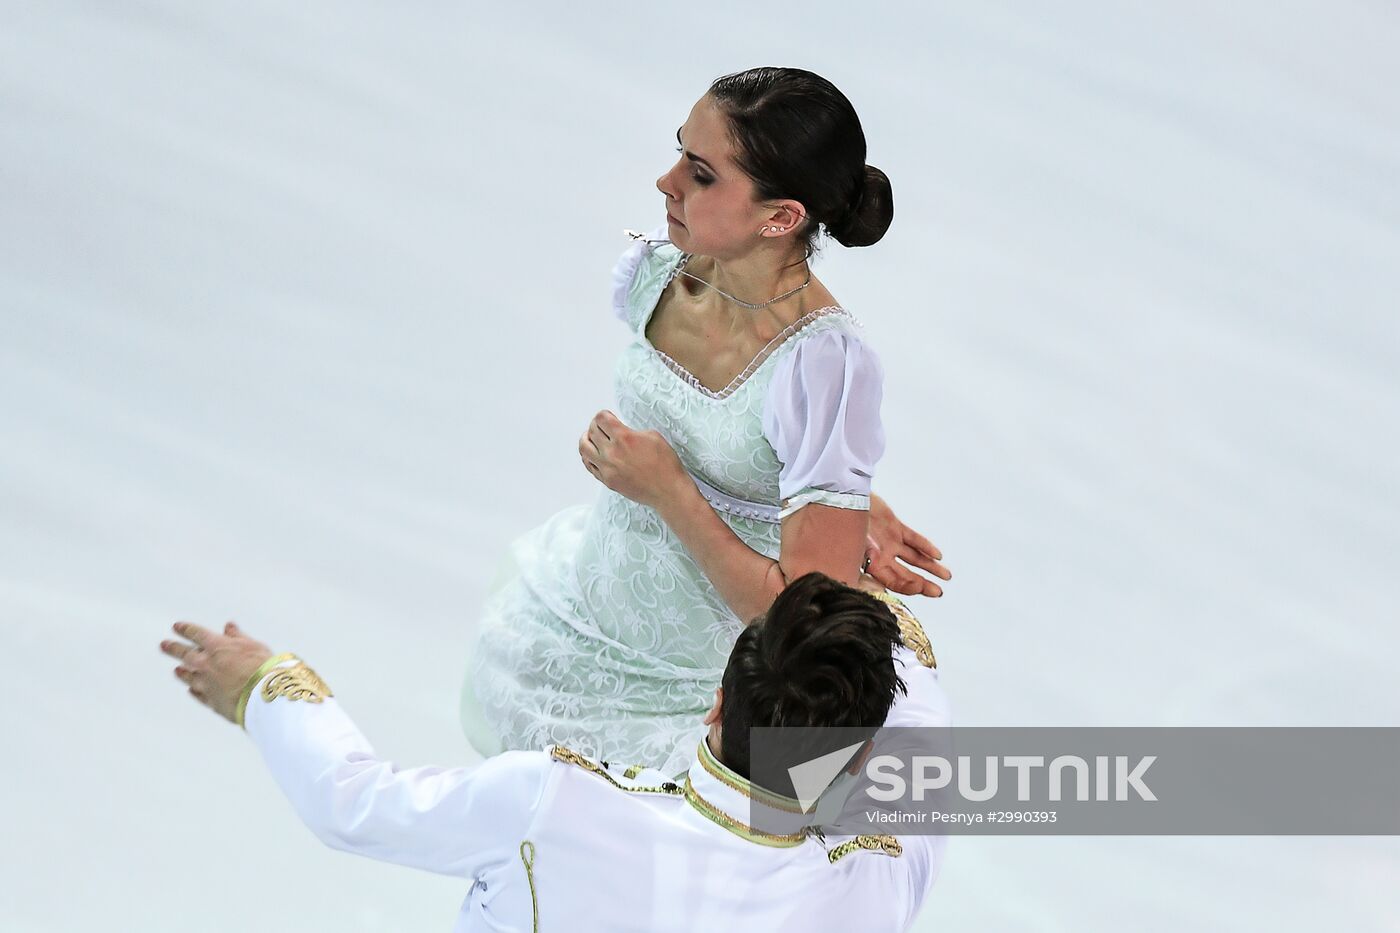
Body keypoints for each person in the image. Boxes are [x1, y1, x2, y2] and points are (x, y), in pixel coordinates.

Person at [462, 66, 950, 776]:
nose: (666, 182)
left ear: (780, 217)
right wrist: (830, 497)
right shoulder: (657, 272)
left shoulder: (825, 367)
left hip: (696, 700)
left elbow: (802, 629)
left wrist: (668, 491)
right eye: (679, 153)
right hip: (577, 628)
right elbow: (740, 440)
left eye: (700, 174)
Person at [161, 572, 950, 932]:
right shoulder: (870, 888)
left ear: (716, 700)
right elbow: (926, 755)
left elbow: (350, 803)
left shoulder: (554, 801)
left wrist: (265, 687)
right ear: (858, 760)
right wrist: (866, 588)